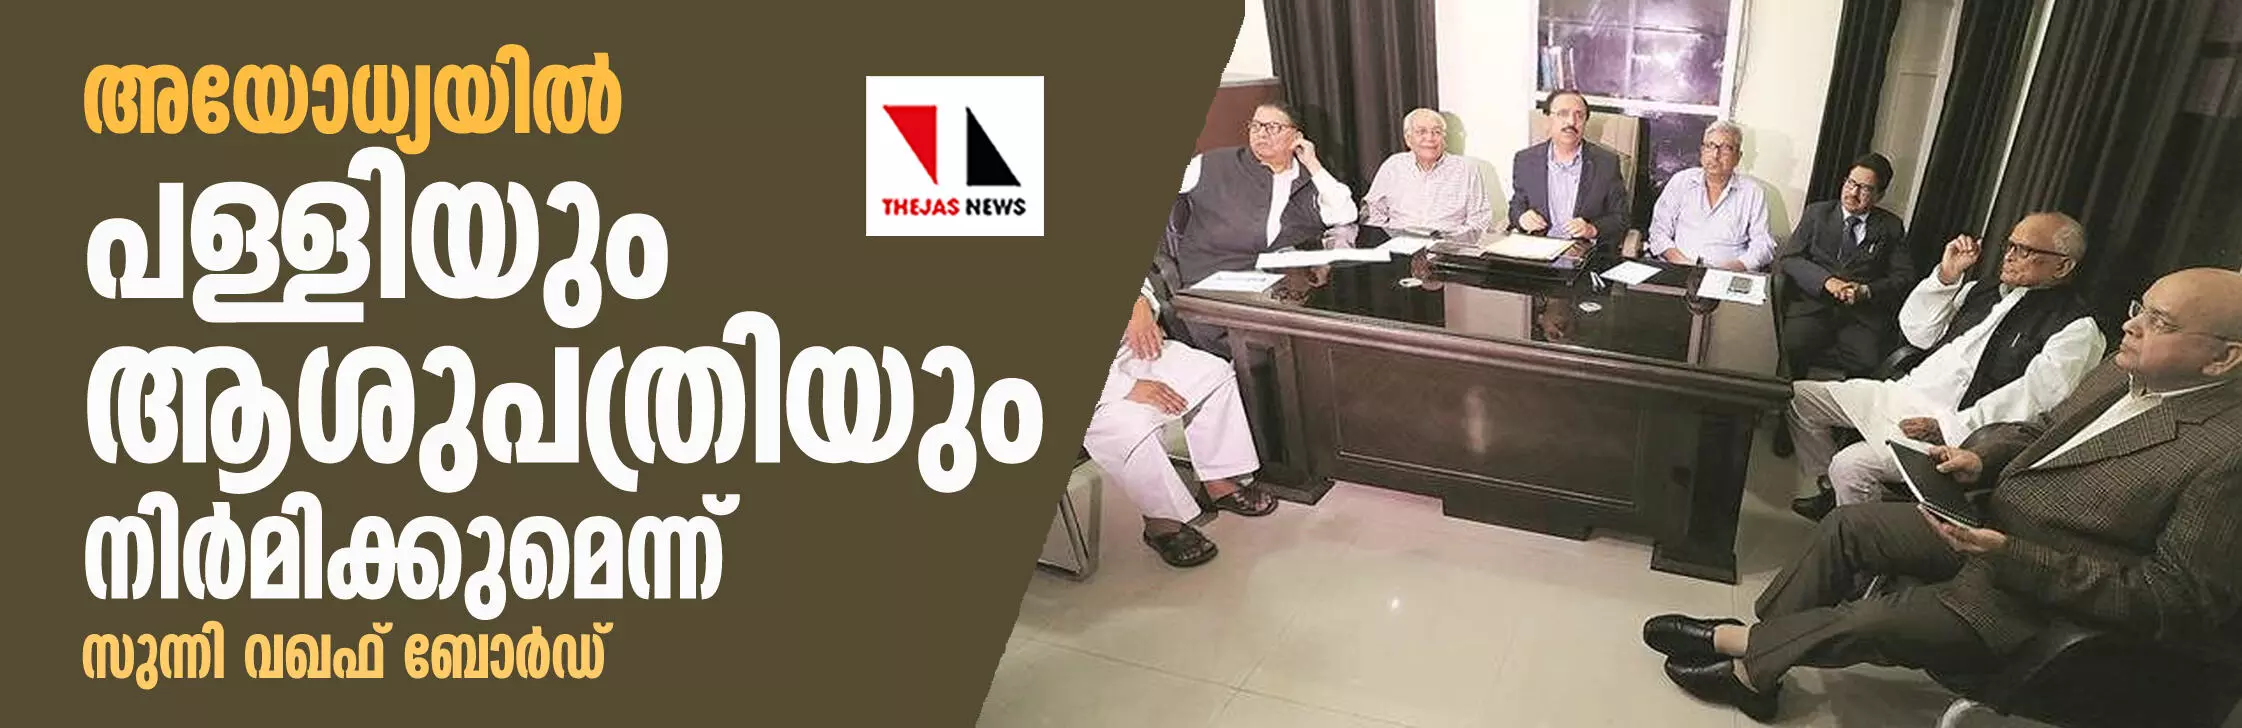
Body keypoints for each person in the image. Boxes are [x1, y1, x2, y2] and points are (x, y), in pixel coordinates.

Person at [1639, 267, 2242, 722]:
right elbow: (2040, 429)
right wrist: (1982, 456)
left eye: (2160, 322)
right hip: (1989, 523)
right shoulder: (2123, 369)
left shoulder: (2226, 452)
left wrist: (2012, 554)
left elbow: (2179, 600)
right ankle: (1762, 658)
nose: (2131, 325)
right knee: (1850, 525)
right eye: (2140, 308)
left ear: (2223, 359)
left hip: (2039, 598)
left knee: (1871, 616)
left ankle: (1746, 656)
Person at [1787, 212, 2104, 520]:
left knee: (1849, 467)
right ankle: (1830, 489)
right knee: (1796, 398)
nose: (2009, 256)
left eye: (2025, 251)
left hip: (1949, 424)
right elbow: (1918, 332)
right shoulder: (1981, 289)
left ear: (2063, 266)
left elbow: (2034, 402)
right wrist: (1946, 276)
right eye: (2010, 245)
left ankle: (1859, 538)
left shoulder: (2077, 328)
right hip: (1902, 392)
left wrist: (1947, 428)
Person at [1085, 272, 1282, 568]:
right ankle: (1161, 523)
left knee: (1214, 373)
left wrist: (1140, 303)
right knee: (1133, 427)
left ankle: (1216, 480)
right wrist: (1127, 387)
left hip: (1130, 349)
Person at [1172, 101, 1359, 287]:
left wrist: (1312, 164)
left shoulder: (1310, 178)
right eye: (1255, 126)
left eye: (1273, 127)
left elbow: (1346, 214)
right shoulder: (1212, 164)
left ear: (1296, 137)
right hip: (1212, 280)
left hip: (1282, 284)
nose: (1261, 133)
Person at [1775, 153, 1917, 380]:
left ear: (1879, 195)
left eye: (1864, 188)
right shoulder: (1817, 213)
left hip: (1861, 315)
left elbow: (1904, 277)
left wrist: (1866, 291)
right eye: (1851, 183)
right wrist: (1827, 282)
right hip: (1814, 306)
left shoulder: (1891, 227)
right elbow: (1790, 259)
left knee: (1870, 362)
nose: (1853, 192)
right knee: (1790, 347)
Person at [1646, 120, 1777, 272]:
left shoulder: (1753, 192)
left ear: (1738, 157)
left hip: (1729, 275)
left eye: (1725, 148)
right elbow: (1658, 232)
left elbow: (1764, 244)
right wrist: (1682, 263)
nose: (1715, 155)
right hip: (1679, 269)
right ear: (1702, 151)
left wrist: (1734, 267)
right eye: (1710, 146)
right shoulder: (1681, 182)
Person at [1507, 89, 1629, 251]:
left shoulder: (1606, 163)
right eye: (1563, 114)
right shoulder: (1525, 160)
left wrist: (1592, 229)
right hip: (1538, 250)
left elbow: (1621, 217)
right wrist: (1522, 218)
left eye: (1579, 115)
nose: (1571, 121)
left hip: (1584, 252)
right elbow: (1517, 205)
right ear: (1547, 119)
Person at [1362, 108, 1492, 238]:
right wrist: (1385, 238)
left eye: (1437, 132)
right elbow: (1373, 210)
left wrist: (1452, 240)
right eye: (1421, 132)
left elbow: (1480, 220)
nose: (1430, 138)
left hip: (1448, 245)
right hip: (1400, 243)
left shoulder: (1467, 169)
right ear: (1408, 139)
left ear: (1444, 138)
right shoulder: (1393, 166)